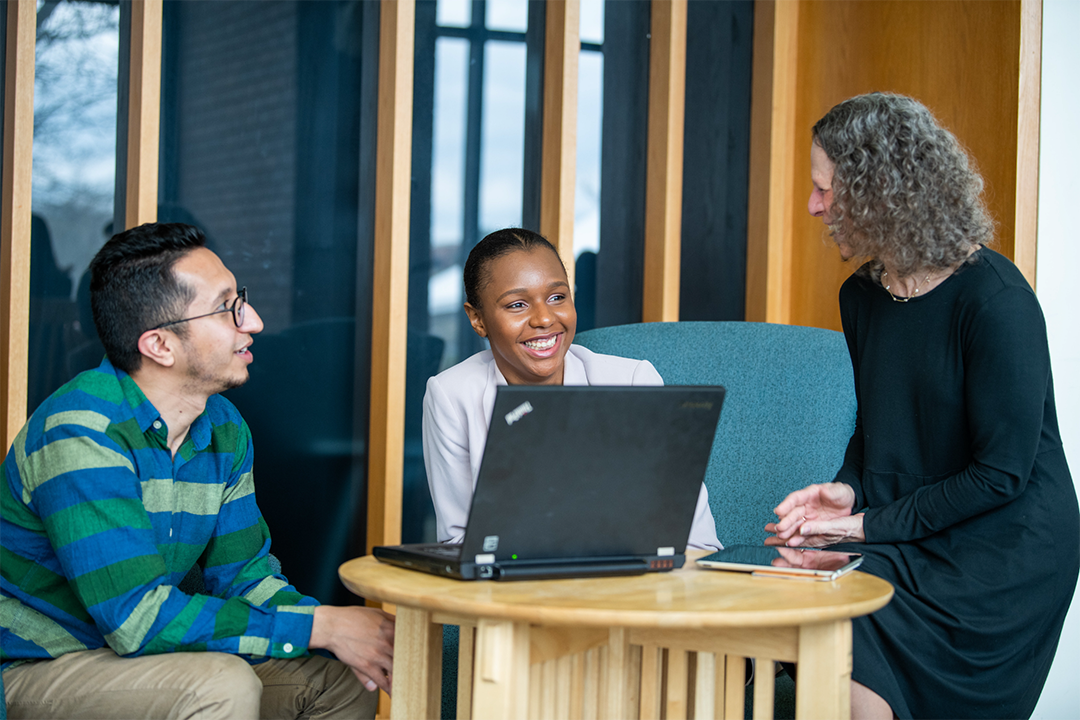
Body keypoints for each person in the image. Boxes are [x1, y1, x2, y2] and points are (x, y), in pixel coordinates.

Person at [766, 93, 1079, 720]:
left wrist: (864, 529)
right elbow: (880, 426)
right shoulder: (861, 296)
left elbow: (1000, 476)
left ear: (880, 189)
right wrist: (849, 492)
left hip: (1003, 549)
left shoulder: (996, 302)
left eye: (826, 188)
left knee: (841, 612)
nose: (814, 206)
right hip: (917, 529)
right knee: (800, 591)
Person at [0, 223, 394, 720]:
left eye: (241, 298)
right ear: (160, 345)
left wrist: (333, 632)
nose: (253, 321)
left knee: (338, 681)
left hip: (140, 657)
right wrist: (323, 627)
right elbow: (137, 620)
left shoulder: (223, 427)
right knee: (219, 685)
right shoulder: (82, 432)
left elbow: (245, 577)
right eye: (228, 307)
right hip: (35, 667)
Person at [423, 227, 721, 549]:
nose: (544, 318)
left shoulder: (634, 381)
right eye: (517, 305)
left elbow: (695, 541)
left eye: (556, 297)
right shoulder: (451, 396)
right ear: (477, 319)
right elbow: (458, 543)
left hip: (632, 587)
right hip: (513, 590)